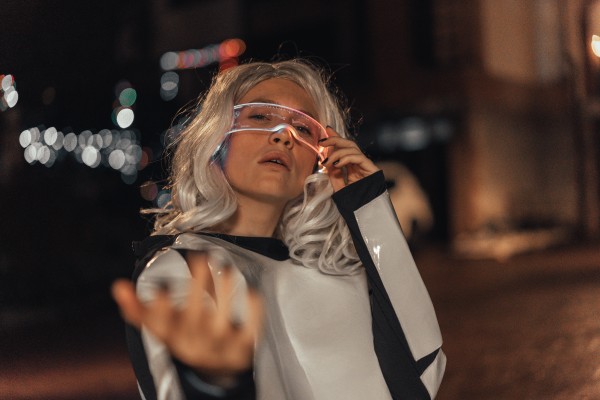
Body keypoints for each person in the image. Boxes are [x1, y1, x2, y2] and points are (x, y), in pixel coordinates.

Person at [112, 59, 446, 400]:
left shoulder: (337, 275)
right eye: (260, 116)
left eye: (303, 128)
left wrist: (369, 206)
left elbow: (421, 378)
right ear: (216, 139)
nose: (284, 135)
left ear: (318, 160)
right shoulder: (184, 267)